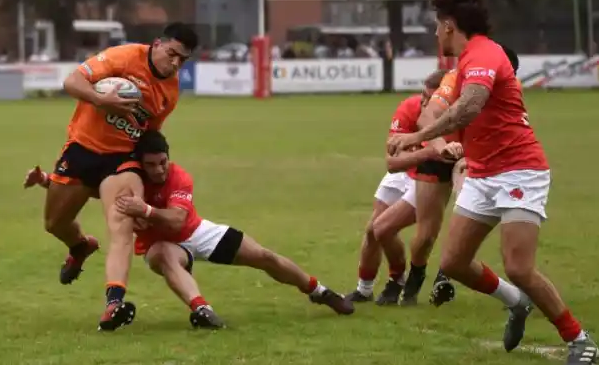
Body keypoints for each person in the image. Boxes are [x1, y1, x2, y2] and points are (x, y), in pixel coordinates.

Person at [387, 0, 599, 365]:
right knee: (452, 263)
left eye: (438, 26)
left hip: (519, 171)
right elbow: (437, 109)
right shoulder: (463, 63)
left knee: (518, 266)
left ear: (450, 25)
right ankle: (516, 302)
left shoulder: (486, 54)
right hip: (484, 174)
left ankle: (580, 340)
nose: (436, 34)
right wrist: (427, 135)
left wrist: (416, 138)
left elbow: (469, 107)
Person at [26, 130, 354, 328]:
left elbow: (178, 221)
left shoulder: (179, 177)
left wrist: (147, 210)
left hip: (196, 233)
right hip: (157, 247)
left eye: (162, 162)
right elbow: (93, 192)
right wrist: (46, 182)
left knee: (264, 256)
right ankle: (202, 310)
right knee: (164, 256)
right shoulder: (131, 181)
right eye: (150, 164)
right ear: (140, 164)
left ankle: (319, 291)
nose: (158, 170)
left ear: (170, 158)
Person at [44, 22, 198, 331]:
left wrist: (152, 185)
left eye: (184, 59)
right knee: (54, 223)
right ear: (158, 44)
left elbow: (151, 136)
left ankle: (114, 302)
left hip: (123, 159)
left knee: (121, 227)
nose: (176, 63)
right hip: (82, 150)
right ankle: (80, 246)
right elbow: (72, 82)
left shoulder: (170, 91)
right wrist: (102, 100)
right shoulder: (123, 57)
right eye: (173, 54)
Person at [345, 69, 448, 306]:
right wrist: (431, 151)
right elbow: (392, 164)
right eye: (423, 95)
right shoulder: (409, 107)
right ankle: (364, 290)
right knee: (373, 231)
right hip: (403, 174)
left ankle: (397, 280)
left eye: (430, 100)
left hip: (427, 179)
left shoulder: (452, 122)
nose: (423, 103)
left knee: (383, 229)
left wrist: (415, 152)